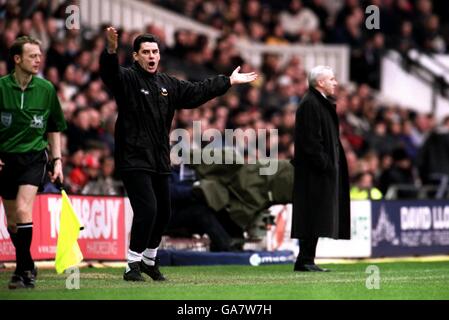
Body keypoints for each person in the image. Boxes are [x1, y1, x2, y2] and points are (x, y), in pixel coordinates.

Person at [99, 26, 257, 282]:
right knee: (147, 210)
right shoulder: (127, 79)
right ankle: (132, 265)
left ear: (159, 56)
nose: (151, 56)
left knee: (164, 212)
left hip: (160, 158)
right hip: (133, 158)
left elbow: (196, 92)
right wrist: (110, 50)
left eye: (155, 51)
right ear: (136, 56)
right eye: (146, 52)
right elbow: (109, 73)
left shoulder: (167, 84)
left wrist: (226, 81)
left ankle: (150, 260)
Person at [0, 36, 66, 289]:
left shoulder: (47, 89)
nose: (38, 59)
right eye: (32, 56)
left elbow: (54, 127)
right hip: (6, 159)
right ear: (17, 59)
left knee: (23, 209)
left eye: (40, 55)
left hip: (34, 157)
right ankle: (27, 265)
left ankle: (21, 270)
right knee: (12, 221)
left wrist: (57, 160)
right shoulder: (1, 87)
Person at [291, 65, 350, 272]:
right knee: (311, 215)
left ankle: (307, 259)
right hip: (314, 173)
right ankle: (305, 260)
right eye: (332, 79)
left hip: (318, 171)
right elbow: (311, 142)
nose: (335, 83)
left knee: (315, 215)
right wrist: (325, 164)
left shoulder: (317, 103)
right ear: (320, 82)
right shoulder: (311, 104)